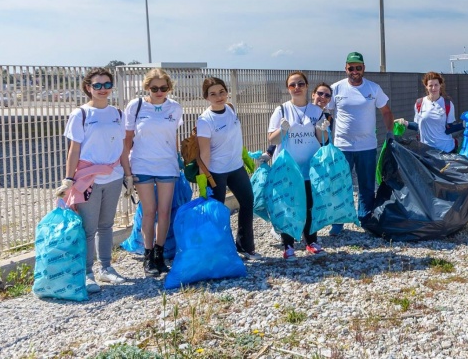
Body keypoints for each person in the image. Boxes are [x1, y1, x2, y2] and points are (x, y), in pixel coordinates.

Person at [58, 67, 131, 293]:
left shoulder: (118, 114)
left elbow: (122, 147)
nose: (102, 89)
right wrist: (69, 179)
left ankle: (106, 268)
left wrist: (128, 175)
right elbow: (74, 149)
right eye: (97, 85)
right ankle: (88, 273)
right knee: (89, 228)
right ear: (88, 88)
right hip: (88, 179)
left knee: (106, 225)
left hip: (114, 176)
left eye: (107, 84)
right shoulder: (80, 114)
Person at [122, 68, 184, 276]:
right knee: (149, 211)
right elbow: (127, 139)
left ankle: (159, 253)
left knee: (165, 211)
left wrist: (178, 159)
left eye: (163, 88)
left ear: (169, 88)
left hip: (167, 164)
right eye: (154, 88)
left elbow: (173, 135)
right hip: (142, 164)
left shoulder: (175, 107)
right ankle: (148, 255)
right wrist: (126, 170)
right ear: (147, 87)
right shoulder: (136, 105)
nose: (159, 92)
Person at [327, 52, 394, 232]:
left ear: (363, 68)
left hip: (367, 146)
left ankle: (365, 218)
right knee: (340, 184)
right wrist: (325, 135)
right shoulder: (336, 89)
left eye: (358, 67)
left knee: (366, 185)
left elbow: (386, 112)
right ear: (345, 68)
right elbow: (326, 112)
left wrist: (390, 132)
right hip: (342, 147)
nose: (354, 71)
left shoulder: (373, 88)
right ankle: (338, 221)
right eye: (351, 68)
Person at [267, 72, 329, 258]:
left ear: (307, 86)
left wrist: (322, 130)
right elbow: (272, 139)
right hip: (288, 168)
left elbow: (323, 140)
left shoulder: (316, 112)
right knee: (288, 204)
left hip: (310, 167)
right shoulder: (281, 110)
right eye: (292, 85)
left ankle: (311, 241)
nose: (297, 88)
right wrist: (282, 129)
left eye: (300, 84)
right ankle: (288, 244)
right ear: (288, 88)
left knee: (310, 204)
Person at [197, 77, 257, 258]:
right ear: (206, 97)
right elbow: (204, 154)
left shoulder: (230, 108)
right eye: (213, 94)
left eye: (222, 92)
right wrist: (203, 182)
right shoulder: (205, 120)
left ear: (227, 92)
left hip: (236, 167)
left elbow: (233, 137)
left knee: (247, 202)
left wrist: (244, 156)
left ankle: (245, 246)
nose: (219, 97)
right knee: (218, 212)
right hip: (216, 172)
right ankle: (219, 252)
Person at [394, 71, 462, 153]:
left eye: (436, 85)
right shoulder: (419, 103)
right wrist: (404, 123)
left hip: (446, 150)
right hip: (426, 151)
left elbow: (449, 129)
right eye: (430, 85)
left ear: (440, 85)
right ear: (426, 86)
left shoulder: (448, 104)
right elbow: (419, 126)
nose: (433, 88)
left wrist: (464, 125)